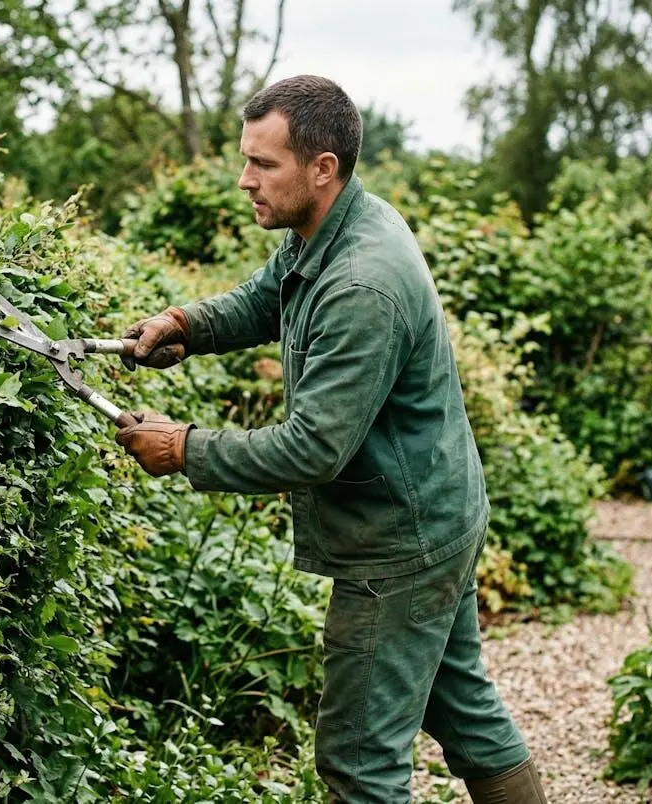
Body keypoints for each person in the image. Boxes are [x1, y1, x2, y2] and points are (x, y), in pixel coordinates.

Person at [113, 75, 547, 804]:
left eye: (264, 164)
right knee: (464, 709)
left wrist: (184, 448)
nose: (244, 180)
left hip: (399, 544)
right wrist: (187, 324)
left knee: (358, 763)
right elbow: (266, 295)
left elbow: (314, 448)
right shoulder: (337, 224)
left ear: (322, 167)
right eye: (245, 159)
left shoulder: (361, 284)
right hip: (435, 510)